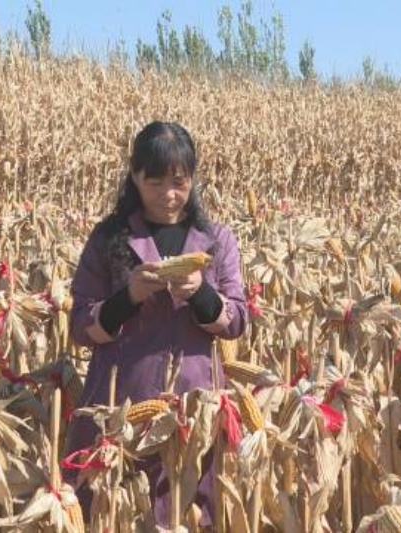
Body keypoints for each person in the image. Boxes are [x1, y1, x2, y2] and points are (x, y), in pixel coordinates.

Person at [64, 121, 248, 528]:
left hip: (194, 413)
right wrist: (127, 297)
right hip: (120, 412)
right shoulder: (108, 238)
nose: (169, 195)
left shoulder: (216, 239)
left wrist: (200, 294)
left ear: (193, 178)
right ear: (134, 176)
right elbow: (79, 326)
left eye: (179, 182)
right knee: (114, 513)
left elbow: (237, 321)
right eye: (155, 182)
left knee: (189, 514)